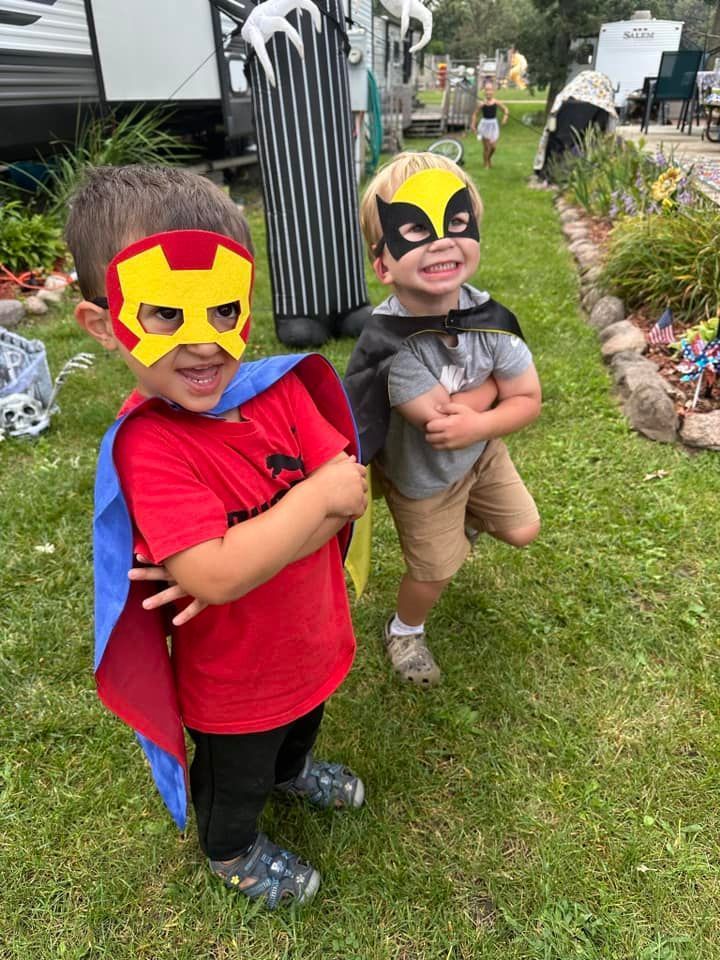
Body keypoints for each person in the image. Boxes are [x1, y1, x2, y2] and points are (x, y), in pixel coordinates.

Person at [67, 165, 368, 909]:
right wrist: (301, 510)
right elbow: (228, 566)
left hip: (312, 637)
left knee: (302, 725)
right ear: (104, 323)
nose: (203, 345)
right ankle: (230, 847)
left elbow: (348, 490)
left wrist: (240, 559)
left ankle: (294, 773)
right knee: (236, 774)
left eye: (223, 309)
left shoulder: (281, 390)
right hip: (234, 680)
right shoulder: (151, 447)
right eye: (165, 314)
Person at [344, 152, 541, 688]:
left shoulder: (489, 318)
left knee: (523, 530)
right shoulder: (390, 343)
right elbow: (439, 421)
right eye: (414, 228)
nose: (441, 241)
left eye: (457, 222)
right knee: (435, 572)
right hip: (423, 479)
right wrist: (494, 392)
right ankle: (405, 628)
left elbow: (527, 398)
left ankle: (467, 525)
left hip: (481, 454)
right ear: (383, 264)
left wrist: (481, 420)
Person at [470, 81, 509, 169]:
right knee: (487, 147)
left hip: (493, 125)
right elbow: (475, 114)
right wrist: (473, 124)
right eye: (487, 90)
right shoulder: (481, 103)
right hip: (484, 126)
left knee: (493, 147)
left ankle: (488, 159)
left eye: (490, 90)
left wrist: (505, 118)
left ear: (493, 91)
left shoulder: (496, 102)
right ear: (484, 91)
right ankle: (486, 163)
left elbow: (505, 109)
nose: (488, 92)